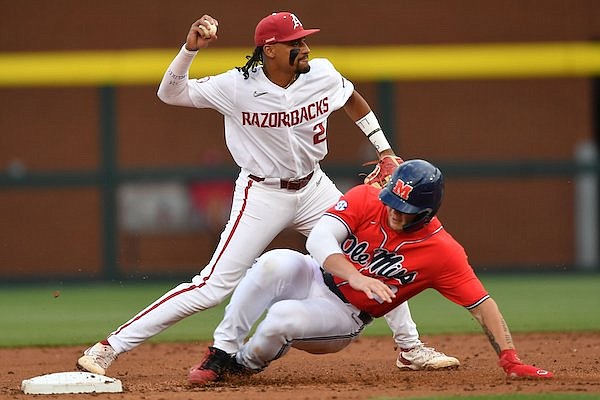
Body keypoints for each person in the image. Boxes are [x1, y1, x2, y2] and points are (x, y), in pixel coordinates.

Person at [76, 12, 458, 380]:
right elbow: (170, 93)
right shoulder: (236, 86)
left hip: (313, 187)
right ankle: (108, 348)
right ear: (270, 49)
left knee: (376, 250)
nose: (305, 47)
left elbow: (353, 99)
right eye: (296, 42)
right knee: (211, 287)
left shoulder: (321, 73)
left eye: (305, 40)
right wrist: (189, 50)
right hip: (262, 192)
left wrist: (385, 151)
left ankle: (410, 349)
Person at [189, 159, 554, 383]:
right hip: (318, 274)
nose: (394, 211)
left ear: (427, 211)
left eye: (405, 208)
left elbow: (481, 304)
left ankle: (244, 365)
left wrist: (510, 359)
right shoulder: (368, 198)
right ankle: (221, 352)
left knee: (281, 318)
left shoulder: (443, 253)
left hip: (345, 314)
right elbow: (318, 239)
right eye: (393, 200)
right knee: (273, 261)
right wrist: (356, 275)